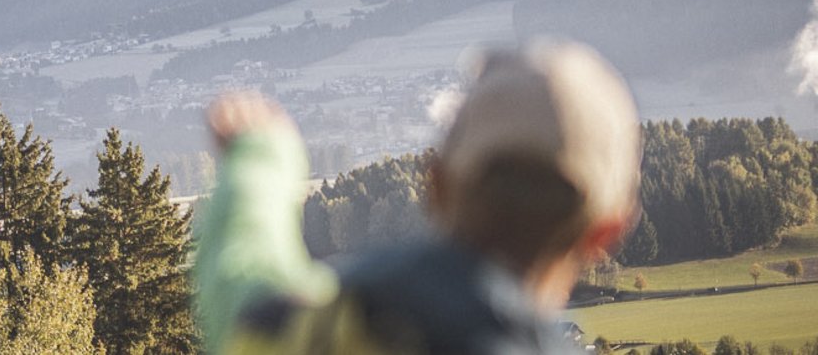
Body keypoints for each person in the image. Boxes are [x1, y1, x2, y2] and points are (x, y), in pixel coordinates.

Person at [193, 40, 642, 355]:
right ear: (608, 232)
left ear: (435, 184)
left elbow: (244, 285)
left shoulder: (328, 330)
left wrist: (263, 159)